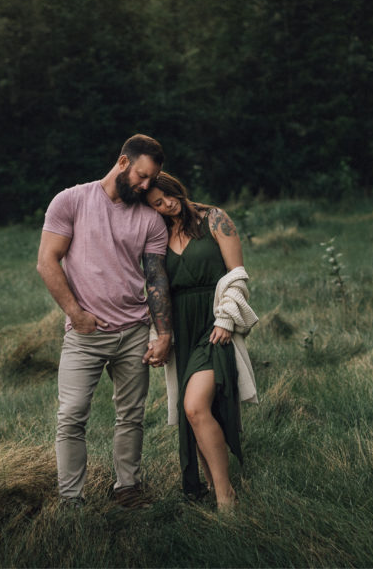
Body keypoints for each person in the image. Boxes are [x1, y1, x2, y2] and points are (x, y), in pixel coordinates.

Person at [36, 134, 173, 510]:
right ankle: (70, 499)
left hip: (133, 333)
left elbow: (157, 278)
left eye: (153, 180)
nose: (147, 186)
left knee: (131, 415)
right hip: (85, 335)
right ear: (123, 162)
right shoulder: (71, 201)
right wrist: (75, 314)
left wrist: (163, 333)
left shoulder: (151, 220)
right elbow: (47, 261)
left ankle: (127, 488)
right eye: (143, 176)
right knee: (71, 415)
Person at [145, 171, 258, 511]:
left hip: (213, 325)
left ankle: (226, 497)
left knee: (195, 405)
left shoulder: (214, 218)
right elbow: (156, 289)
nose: (166, 205)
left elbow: (237, 274)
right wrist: (159, 334)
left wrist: (226, 317)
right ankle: (211, 482)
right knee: (193, 411)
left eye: (166, 196)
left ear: (174, 186)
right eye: (157, 205)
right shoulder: (157, 234)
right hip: (181, 327)